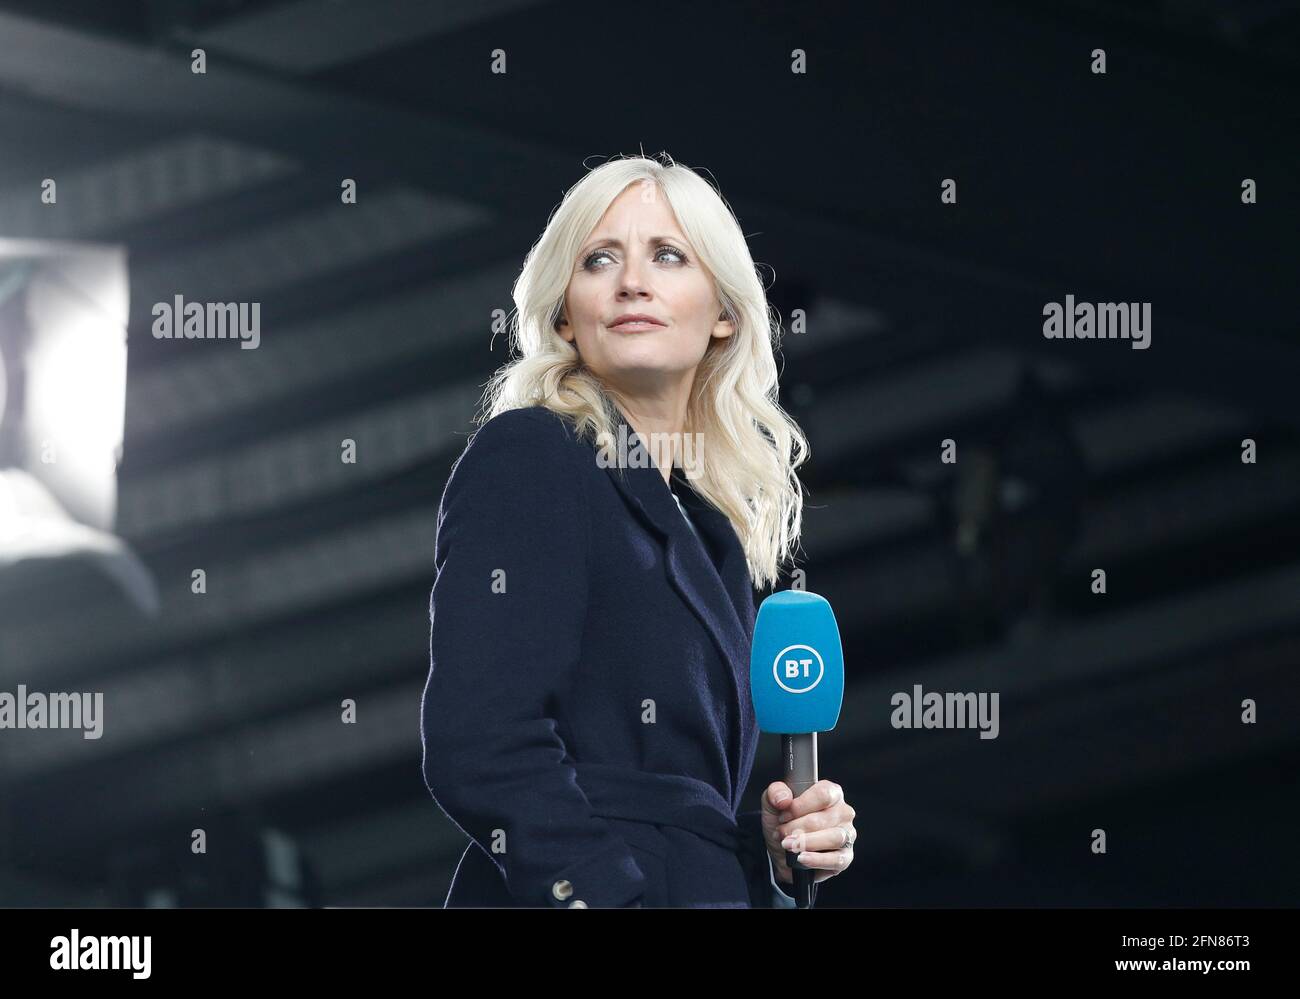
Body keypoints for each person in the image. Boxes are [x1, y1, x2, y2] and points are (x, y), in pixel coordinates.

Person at [420, 153, 857, 907]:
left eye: (667, 255)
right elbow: (480, 741)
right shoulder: (534, 453)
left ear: (722, 312)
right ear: (564, 311)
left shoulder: (713, 534)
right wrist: (598, 896)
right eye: (598, 259)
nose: (631, 281)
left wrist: (775, 857)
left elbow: (681, 814)